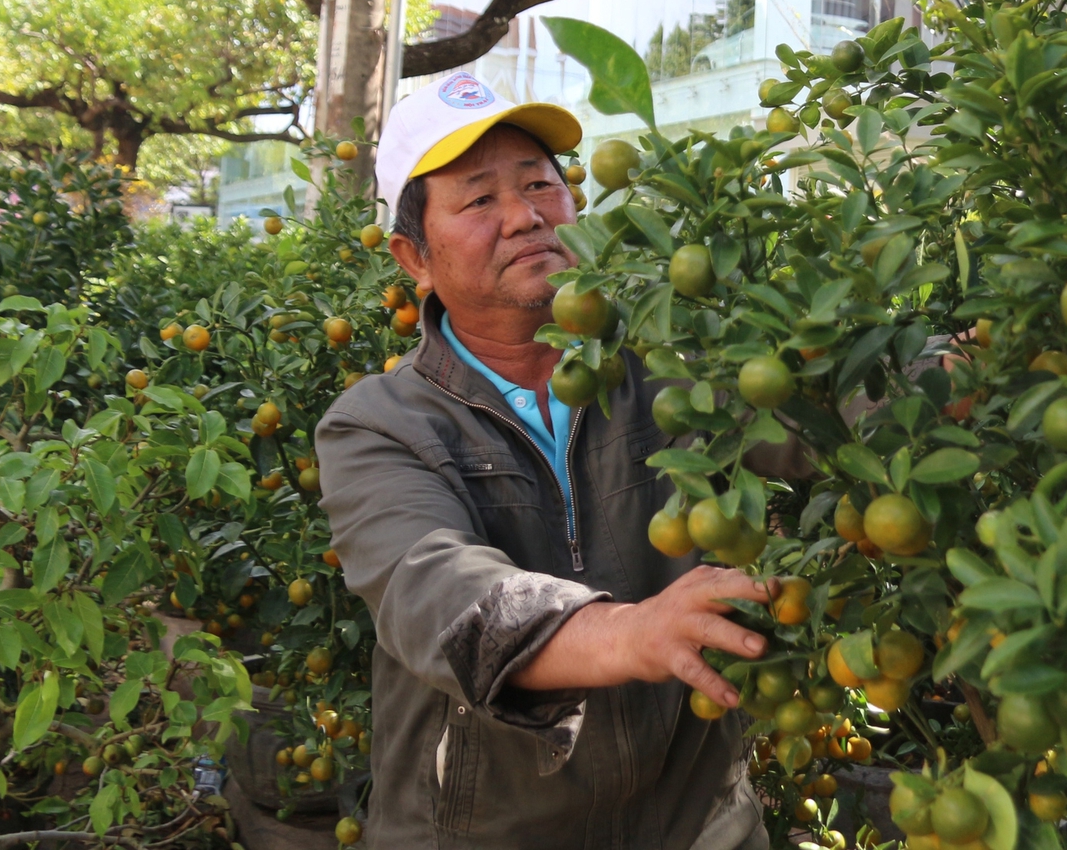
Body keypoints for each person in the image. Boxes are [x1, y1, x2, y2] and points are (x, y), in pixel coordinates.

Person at [316, 72, 771, 850]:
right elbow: (440, 594)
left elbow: (841, 411)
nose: (526, 217)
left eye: (539, 185)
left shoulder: (675, 368)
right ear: (413, 256)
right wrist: (628, 632)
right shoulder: (378, 425)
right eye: (480, 199)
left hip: (694, 822)